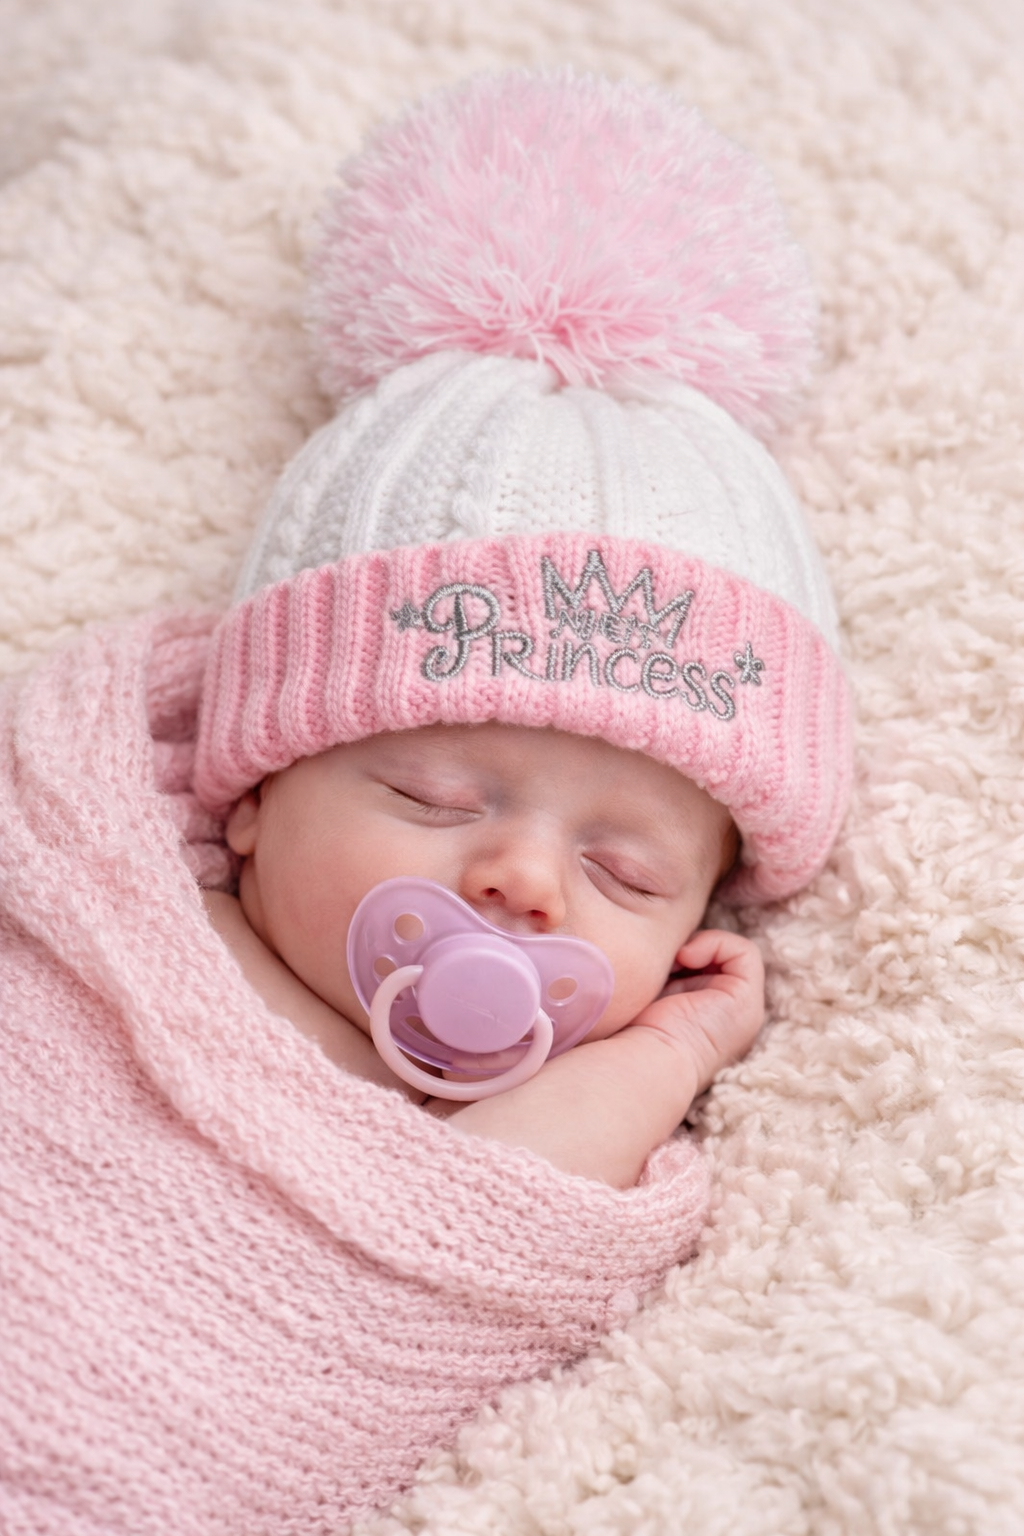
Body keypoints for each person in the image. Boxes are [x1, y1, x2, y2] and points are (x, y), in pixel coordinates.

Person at [0, 69, 851, 1531]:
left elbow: (511, 1208)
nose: (525, 882)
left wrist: (682, 1043)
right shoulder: (102, 913)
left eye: (629, 873)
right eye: (433, 790)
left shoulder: (507, 1117)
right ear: (254, 792)